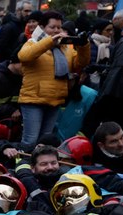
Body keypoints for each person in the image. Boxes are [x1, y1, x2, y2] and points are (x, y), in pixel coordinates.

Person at [17, 11, 89, 150]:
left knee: (46, 142)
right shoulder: (33, 42)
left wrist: (83, 45)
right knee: (30, 141)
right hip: (34, 100)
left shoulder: (65, 47)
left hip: (55, 100)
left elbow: (80, 63)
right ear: (43, 28)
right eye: (52, 27)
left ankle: (41, 167)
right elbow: (25, 56)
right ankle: (23, 167)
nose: (56, 30)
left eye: (59, 27)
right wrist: (50, 41)